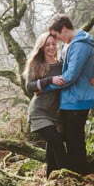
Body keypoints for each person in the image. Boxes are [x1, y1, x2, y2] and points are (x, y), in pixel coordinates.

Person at [41, 14, 94, 173]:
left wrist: (45, 87)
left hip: (77, 99)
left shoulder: (80, 45)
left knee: (74, 140)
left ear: (64, 29)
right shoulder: (72, 44)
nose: (57, 40)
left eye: (57, 36)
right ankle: (73, 171)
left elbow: (70, 76)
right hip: (71, 99)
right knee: (67, 138)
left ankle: (81, 173)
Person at [23, 32, 71, 176]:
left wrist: (89, 80)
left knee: (52, 146)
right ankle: (68, 178)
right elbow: (29, 86)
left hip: (54, 114)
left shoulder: (61, 65)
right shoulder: (37, 65)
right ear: (42, 47)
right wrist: (49, 80)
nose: (51, 47)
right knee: (57, 143)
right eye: (47, 44)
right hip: (38, 113)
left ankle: (51, 178)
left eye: (53, 44)